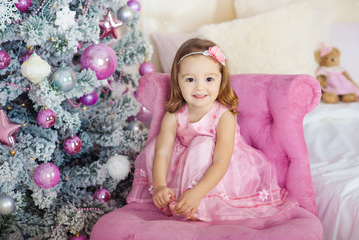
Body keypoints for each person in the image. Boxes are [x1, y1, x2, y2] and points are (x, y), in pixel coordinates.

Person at [127, 38, 298, 221]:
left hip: (219, 170)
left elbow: (221, 162)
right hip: (182, 164)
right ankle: (172, 198)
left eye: (209, 79)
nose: (200, 87)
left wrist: (197, 192)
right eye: (190, 79)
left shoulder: (224, 116)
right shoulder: (173, 116)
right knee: (155, 148)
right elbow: (162, 153)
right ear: (178, 81)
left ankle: (197, 201)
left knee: (202, 144)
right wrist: (160, 185)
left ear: (221, 80)